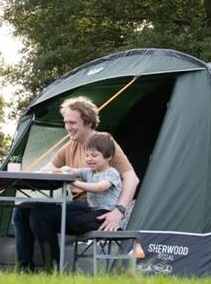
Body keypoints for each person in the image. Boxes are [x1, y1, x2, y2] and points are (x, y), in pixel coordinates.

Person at [13, 96, 139, 270]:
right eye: (65, 122)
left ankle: (53, 270)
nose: (68, 127)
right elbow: (48, 170)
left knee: (41, 214)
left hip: (96, 210)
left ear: (88, 122)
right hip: (77, 207)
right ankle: (25, 269)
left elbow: (132, 177)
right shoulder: (70, 146)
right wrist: (20, 176)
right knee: (22, 211)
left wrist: (119, 211)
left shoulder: (104, 143)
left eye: (72, 123)